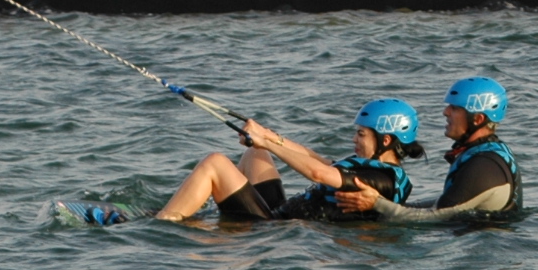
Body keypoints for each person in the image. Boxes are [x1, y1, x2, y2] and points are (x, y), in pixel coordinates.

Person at [148, 99, 421, 223]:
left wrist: (267, 142)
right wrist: (268, 137)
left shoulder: (381, 179)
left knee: (216, 162)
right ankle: (195, 211)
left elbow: (318, 173)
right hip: (278, 211)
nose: (354, 139)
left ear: (386, 140)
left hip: (270, 227)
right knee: (255, 153)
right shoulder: (371, 166)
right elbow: (317, 160)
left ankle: (164, 223)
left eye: (361, 134)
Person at [334, 76, 520, 221]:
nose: (445, 112)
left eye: (455, 108)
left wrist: (377, 204)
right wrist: (384, 204)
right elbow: (444, 204)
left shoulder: (483, 166)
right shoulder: (485, 153)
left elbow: (436, 217)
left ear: (478, 119)